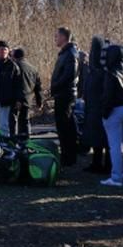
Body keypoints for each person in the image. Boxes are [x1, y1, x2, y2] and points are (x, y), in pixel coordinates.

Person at [100, 44, 123, 187]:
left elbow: (108, 96)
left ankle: (116, 178)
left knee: (114, 146)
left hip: (116, 109)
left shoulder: (111, 73)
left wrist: (104, 114)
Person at [51, 27, 79, 166]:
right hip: (61, 94)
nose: (54, 38)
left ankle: (69, 157)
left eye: (56, 36)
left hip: (66, 95)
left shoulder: (70, 54)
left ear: (63, 37)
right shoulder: (64, 53)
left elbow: (69, 75)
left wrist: (56, 85)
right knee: (62, 126)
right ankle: (66, 155)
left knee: (66, 126)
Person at [83, 36, 111, 174]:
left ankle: (107, 165)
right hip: (94, 107)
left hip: (101, 108)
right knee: (97, 138)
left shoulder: (103, 71)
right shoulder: (94, 70)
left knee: (105, 139)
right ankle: (97, 162)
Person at [11, 48, 42, 138]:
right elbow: (38, 87)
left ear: (14, 56)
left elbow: (19, 84)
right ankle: (25, 141)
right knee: (25, 120)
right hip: (28, 98)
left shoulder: (14, 67)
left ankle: (13, 141)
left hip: (16, 99)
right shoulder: (33, 69)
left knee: (12, 121)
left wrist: (18, 99)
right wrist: (39, 102)